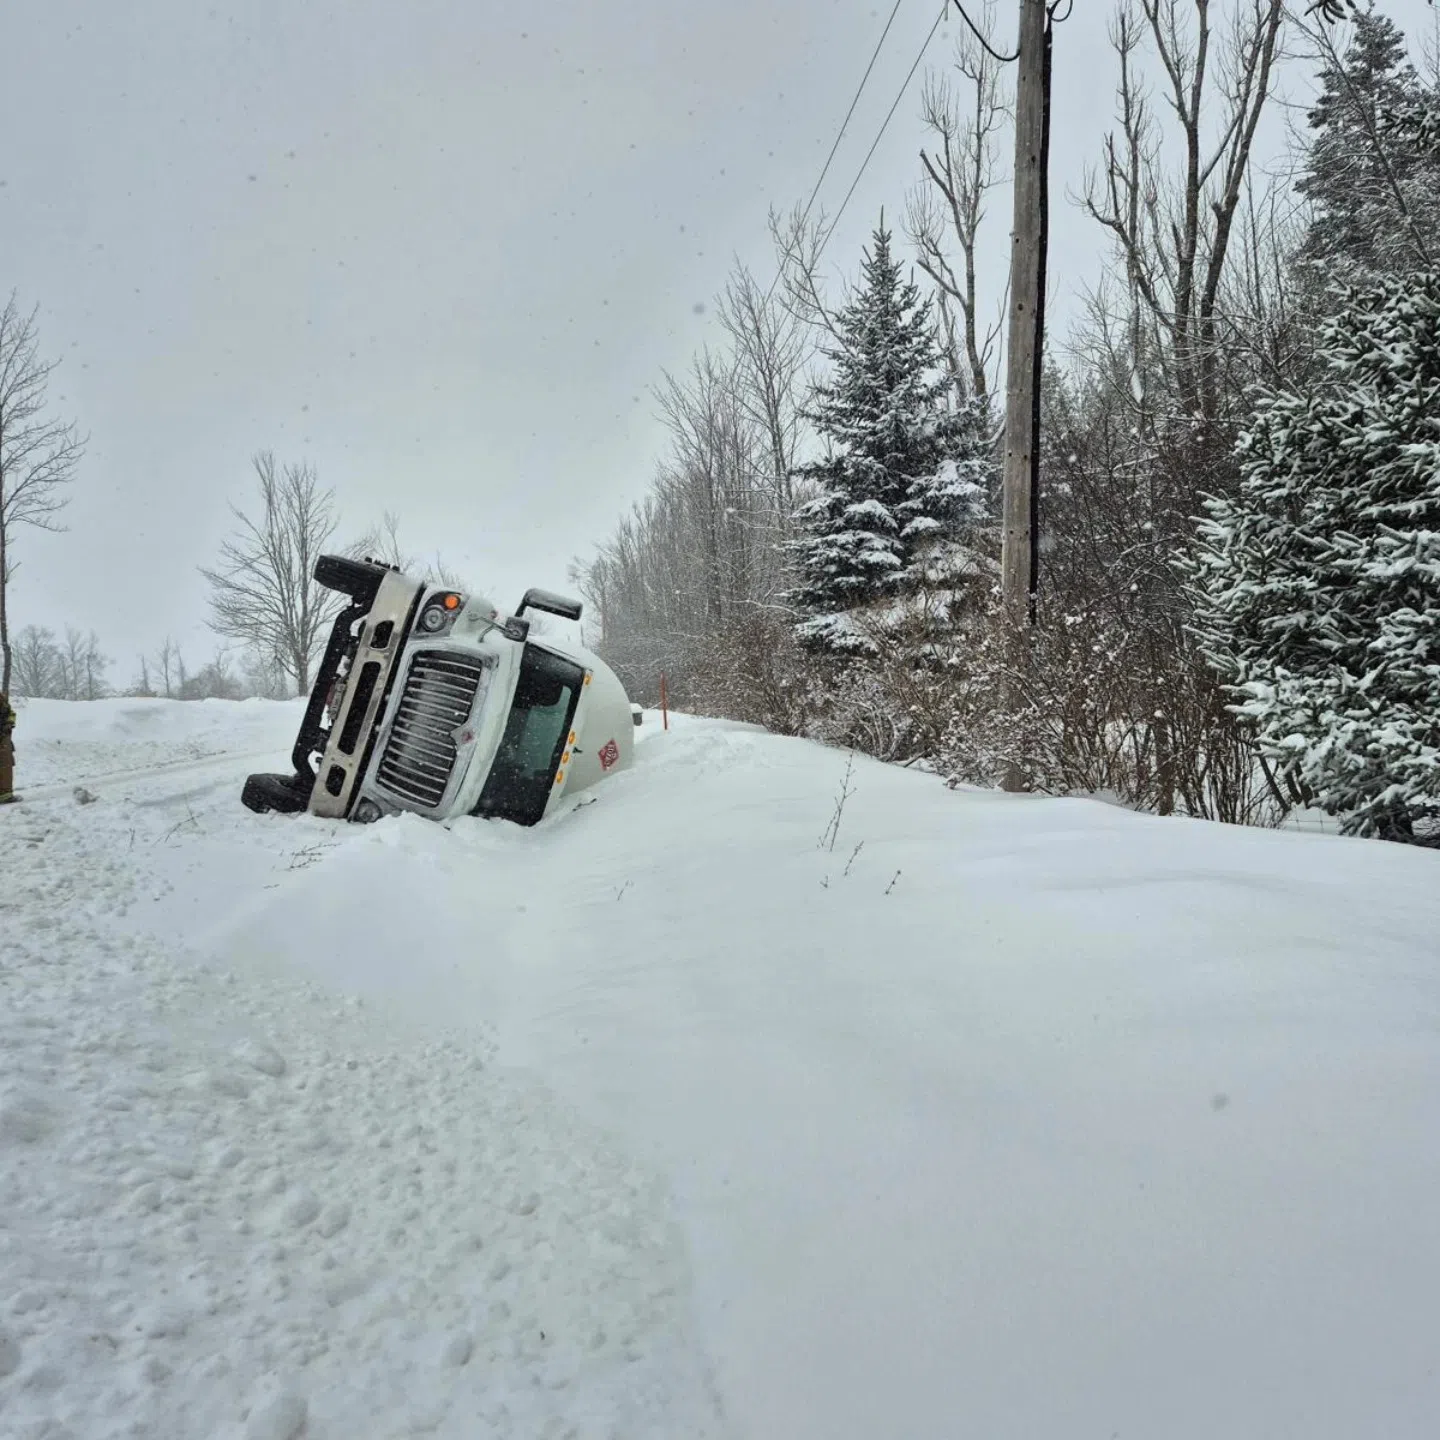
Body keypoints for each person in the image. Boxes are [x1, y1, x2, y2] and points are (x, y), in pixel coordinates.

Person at [0, 691, 15, 803]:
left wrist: (9, 724)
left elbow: (11, 713)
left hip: (3, 737)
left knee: (6, 764)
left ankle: (5, 794)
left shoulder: (3, 700)